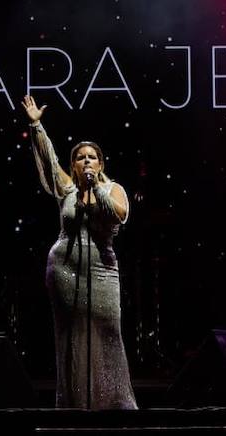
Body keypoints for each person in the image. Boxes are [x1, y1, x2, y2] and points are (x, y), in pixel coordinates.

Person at [22, 95, 138, 410]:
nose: (86, 161)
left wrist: (96, 186)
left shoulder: (114, 189)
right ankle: (74, 405)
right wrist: (36, 125)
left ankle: (114, 406)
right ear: (74, 164)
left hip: (102, 271)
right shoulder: (67, 189)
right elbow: (48, 159)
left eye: (92, 157)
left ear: (101, 163)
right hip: (63, 269)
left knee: (108, 331)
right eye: (81, 158)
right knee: (71, 337)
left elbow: (118, 214)